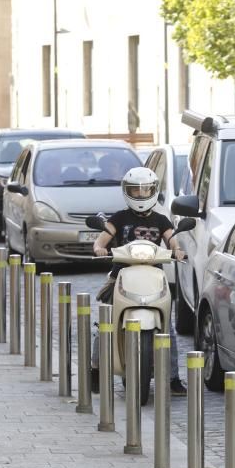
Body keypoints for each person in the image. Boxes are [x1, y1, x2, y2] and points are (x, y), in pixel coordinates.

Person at [91, 166, 186, 396]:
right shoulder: (119, 218)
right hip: (121, 274)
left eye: (146, 190)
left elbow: (172, 240)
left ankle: (173, 377)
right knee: (105, 320)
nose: (141, 195)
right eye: (136, 190)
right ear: (127, 192)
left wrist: (178, 250)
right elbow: (101, 240)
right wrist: (99, 248)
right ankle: (95, 368)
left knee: (169, 328)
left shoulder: (162, 220)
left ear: (153, 191)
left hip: (153, 277)